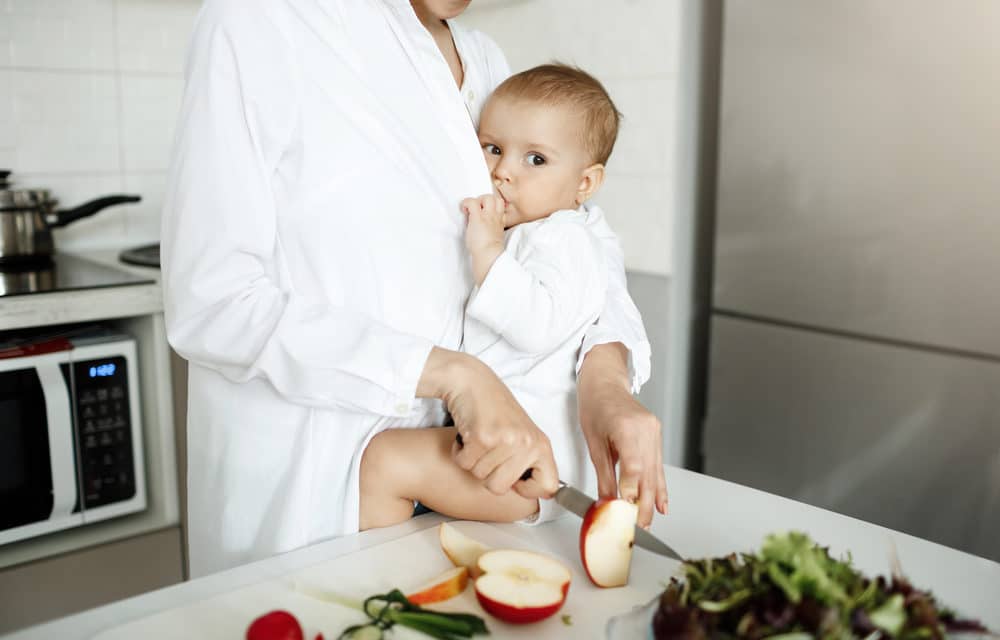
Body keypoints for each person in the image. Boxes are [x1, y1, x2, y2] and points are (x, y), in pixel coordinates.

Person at [161, 0, 667, 579]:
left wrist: (605, 382)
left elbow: (576, 238)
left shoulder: (485, 61)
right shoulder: (262, 21)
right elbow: (213, 302)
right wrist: (453, 375)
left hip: (462, 500)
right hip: (314, 492)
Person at [360, 64, 625, 527]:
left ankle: (374, 577)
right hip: (501, 447)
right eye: (494, 148)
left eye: (535, 160)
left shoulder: (567, 239)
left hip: (527, 463)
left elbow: (539, 324)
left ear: (585, 183)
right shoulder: (532, 230)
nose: (503, 172)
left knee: (383, 462)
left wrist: (487, 250)